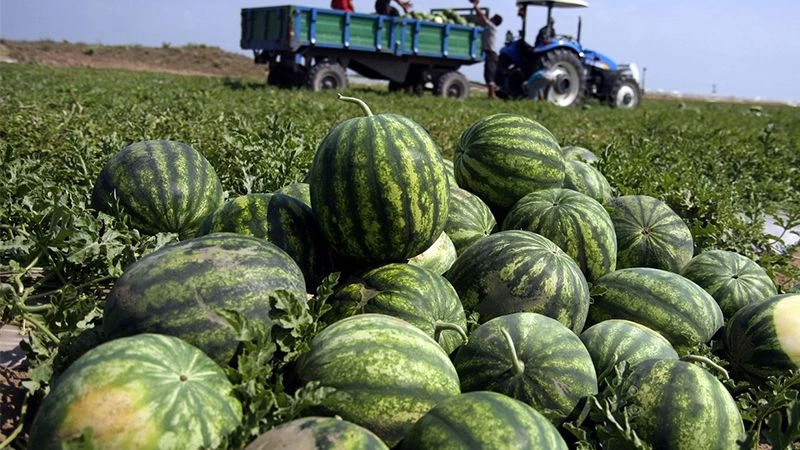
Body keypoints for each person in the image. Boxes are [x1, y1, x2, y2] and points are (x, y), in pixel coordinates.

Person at [470, 0, 503, 99]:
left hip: (491, 54)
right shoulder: (490, 27)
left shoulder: (491, 27)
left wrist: (475, 6)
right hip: (490, 54)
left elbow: (482, 16)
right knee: (487, 74)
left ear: (494, 20)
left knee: (489, 74)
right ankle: (491, 95)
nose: (490, 18)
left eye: (492, 17)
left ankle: (492, 95)